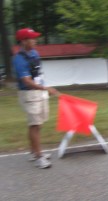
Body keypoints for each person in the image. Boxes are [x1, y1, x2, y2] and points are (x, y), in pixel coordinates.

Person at [13, 28, 60, 169]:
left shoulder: (34, 53)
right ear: (23, 41)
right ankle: (39, 157)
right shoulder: (19, 59)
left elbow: (38, 74)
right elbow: (27, 81)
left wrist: (43, 89)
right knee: (35, 125)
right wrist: (46, 89)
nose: (35, 40)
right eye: (31, 38)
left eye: (35, 38)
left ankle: (34, 152)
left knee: (37, 124)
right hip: (29, 94)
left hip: (38, 91)